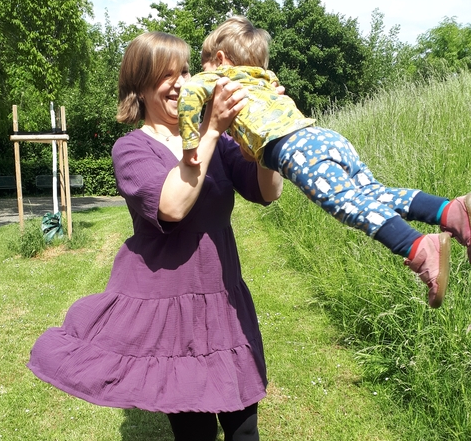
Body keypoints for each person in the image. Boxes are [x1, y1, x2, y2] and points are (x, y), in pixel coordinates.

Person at [28, 31, 298, 441]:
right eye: (166, 75)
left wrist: (268, 135)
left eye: (185, 72)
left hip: (222, 291)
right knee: (194, 427)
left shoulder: (221, 141)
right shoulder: (132, 148)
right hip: (169, 299)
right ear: (141, 86)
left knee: (243, 410)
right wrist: (210, 130)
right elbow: (172, 207)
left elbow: (267, 192)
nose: (180, 84)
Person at [178, 16, 471, 309]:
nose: (201, 73)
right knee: (373, 193)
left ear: (219, 59)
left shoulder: (220, 78)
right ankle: (451, 211)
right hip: (321, 137)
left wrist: (191, 143)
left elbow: (190, 93)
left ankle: (418, 248)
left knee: (347, 204)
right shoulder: (265, 79)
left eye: (202, 65)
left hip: (295, 150)